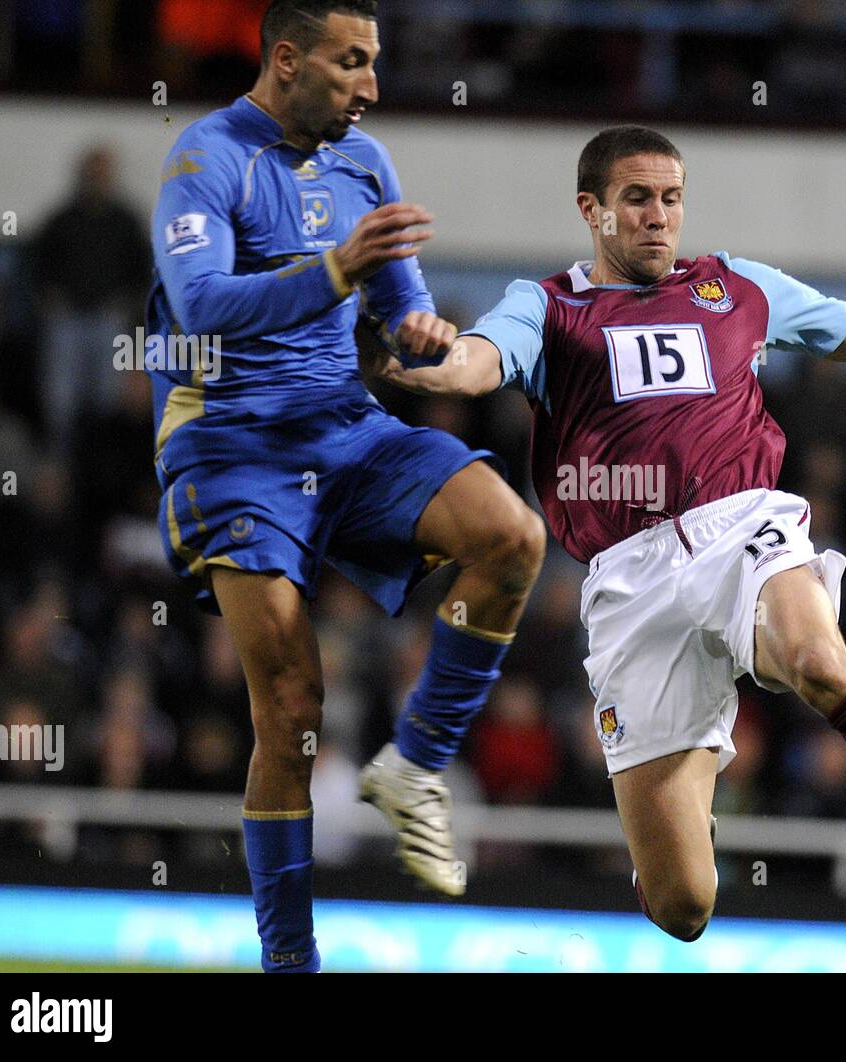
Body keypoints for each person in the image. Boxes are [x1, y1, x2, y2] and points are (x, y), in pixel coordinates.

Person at [369, 125, 846, 954]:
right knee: (683, 906)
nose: (658, 217)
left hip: (743, 524)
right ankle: (701, 782)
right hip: (629, 584)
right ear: (591, 209)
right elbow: (481, 361)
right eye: (636, 200)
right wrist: (434, 363)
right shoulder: (550, 306)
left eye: (670, 198)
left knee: (815, 660)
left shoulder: (737, 288)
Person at [146, 0, 545, 973]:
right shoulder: (204, 160)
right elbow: (202, 305)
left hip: (343, 427)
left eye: (375, 63)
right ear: (287, 60)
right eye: (352, 63)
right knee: (290, 710)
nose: (371, 86)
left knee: (513, 537)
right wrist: (334, 268)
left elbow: (399, 303)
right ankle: (292, 965)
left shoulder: (365, 163)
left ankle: (412, 766)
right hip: (229, 447)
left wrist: (423, 335)